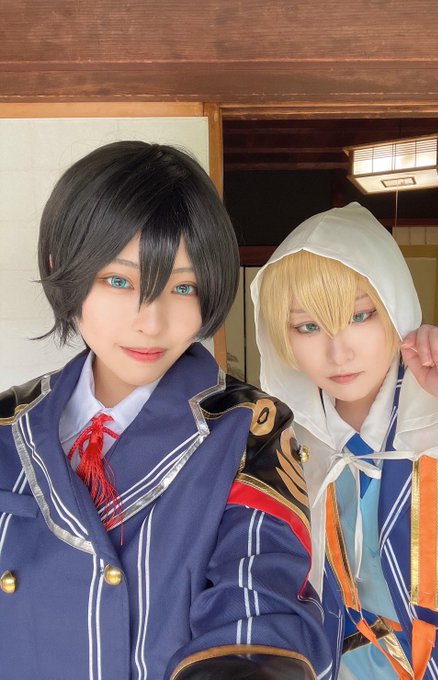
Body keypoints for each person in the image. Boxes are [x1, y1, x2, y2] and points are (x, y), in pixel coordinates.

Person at [0, 141, 333, 680]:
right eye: (119, 281)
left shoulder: (248, 429)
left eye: (183, 286)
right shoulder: (9, 425)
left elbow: (260, 603)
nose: (151, 322)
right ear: (64, 268)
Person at [252, 203, 438, 680]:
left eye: (360, 315)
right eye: (308, 326)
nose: (339, 351)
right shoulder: (283, 449)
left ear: (395, 304)